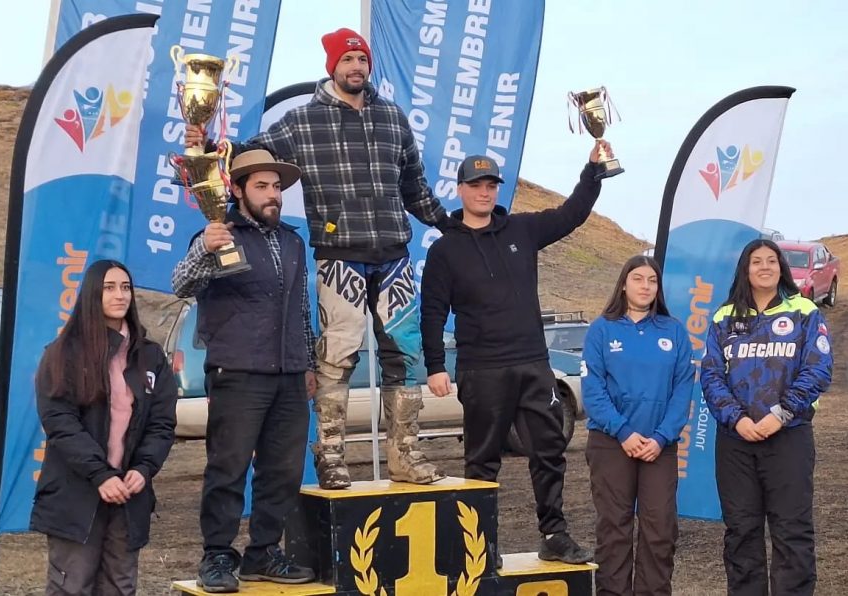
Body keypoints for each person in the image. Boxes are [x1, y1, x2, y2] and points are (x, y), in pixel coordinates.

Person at [186, 28, 446, 490]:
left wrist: (451, 223)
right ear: (332, 67)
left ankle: (405, 455)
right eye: (347, 60)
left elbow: (415, 186)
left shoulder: (393, 118)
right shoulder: (302, 122)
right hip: (338, 253)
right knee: (337, 356)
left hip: (393, 253)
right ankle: (330, 456)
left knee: (403, 357)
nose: (356, 68)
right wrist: (205, 150)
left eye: (362, 60)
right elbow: (248, 159)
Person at [419, 148, 610, 565]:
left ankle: (554, 534)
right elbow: (432, 311)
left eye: (490, 185)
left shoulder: (523, 230)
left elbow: (572, 213)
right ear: (461, 190)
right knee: (483, 462)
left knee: (548, 452)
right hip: (480, 369)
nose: (484, 192)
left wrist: (593, 171)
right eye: (476, 185)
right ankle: (481, 544)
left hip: (532, 364)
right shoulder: (445, 249)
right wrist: (435, 365)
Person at [172, 149, 317, 591]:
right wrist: (203, 250)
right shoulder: (217, 233)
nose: (272, 195)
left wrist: (308, 363)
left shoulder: (293, 241)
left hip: (290, 374)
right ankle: (217, 556)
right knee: (228, 468)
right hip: (237, 371)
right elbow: (182, 284)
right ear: (236, 190)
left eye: (276, 187)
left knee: (284, 470)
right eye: (262, 187)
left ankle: (263, 553)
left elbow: (300, 310)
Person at [31, 260, 177, 596]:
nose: (120, 295)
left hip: (129, 496)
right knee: (72, 586)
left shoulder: (150, 357)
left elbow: (162, 423)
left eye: (125, 287)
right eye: (109, 287)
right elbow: (60, 423)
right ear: (92, 294)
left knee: (120, 586)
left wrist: (144, 468)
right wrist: (100, 475)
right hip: (77, 495)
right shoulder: (63, 354)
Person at [701, 239, 832, 596]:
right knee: (741, 531)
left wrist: (782, 413)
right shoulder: (724, 316)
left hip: (789, 436)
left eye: (771, 261)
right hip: (736, 441)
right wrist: (736, 419)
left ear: (781, 268)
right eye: (756, 261)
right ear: (745, 269)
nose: (764, 267)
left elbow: (818, 370)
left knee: (792, 530)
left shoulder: (804, 310)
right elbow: (711, 375)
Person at [581, 255, 693, 596]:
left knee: (659, 529)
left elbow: (683, 388)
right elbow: (593, 389)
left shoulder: (673, 330)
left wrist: (660, 437)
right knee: (614, 528)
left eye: (652, 281)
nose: (646, 286)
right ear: (624, 284)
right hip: (611, 443)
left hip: (658, 447)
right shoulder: (603, 328)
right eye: (638, 279)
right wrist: (624, 432)